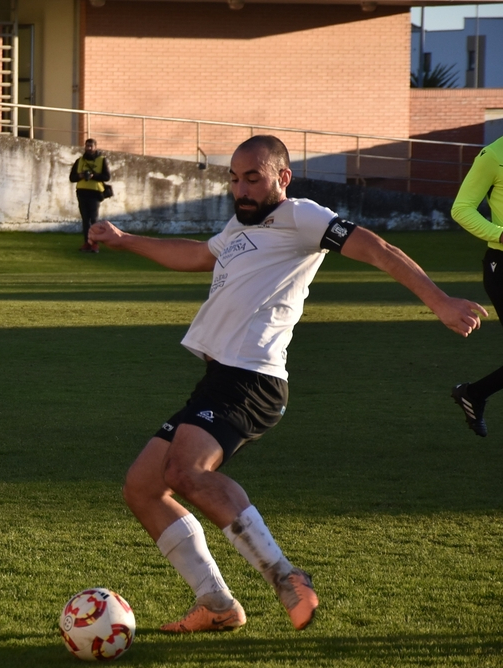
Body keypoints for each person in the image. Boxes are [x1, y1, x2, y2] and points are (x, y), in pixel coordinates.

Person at [90, 135, 486, 633]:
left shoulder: (302, 216)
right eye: (235, 179)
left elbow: (378, 249)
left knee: (186, 471)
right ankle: (216, 603)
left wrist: (440, 302)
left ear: (283, 177)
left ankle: (284, 575)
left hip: (250, 378)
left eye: (253, 178)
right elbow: (196, 255)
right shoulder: (241, 225)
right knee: (143, 487)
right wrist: (125, 240)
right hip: (221, 377)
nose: (241, 189)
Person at [449, 135, 503, 437]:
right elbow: (462, 208)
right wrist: (500, 234)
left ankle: (474, 394)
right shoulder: (493, 155)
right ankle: (474, 394)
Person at [70, 138, 111, 253]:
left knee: (94, 219)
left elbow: (107, 177)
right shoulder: (79, 161)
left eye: (91, 146)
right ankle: (87, 243)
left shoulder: (102, 160)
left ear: (95, 147)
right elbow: (72, 178)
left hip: (95, 193)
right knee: (85, 220)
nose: (88, 148)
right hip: (82, 192)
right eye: (87, 146)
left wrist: (93, 176)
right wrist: (81, 176)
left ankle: (95, 244)